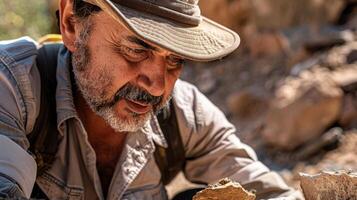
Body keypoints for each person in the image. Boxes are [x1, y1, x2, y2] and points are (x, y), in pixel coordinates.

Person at [0, 0, 304, 199]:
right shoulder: (12, 86)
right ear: (71, 24)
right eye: (136, 50)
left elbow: (270, 193)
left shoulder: (184, 114)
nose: (158, 86)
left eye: (174, 60)